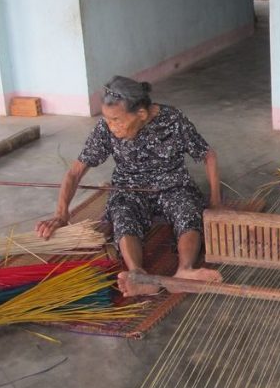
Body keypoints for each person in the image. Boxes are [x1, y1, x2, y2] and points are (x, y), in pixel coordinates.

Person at [36, 76, 221, 294]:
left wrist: (215, 202)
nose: (111, 126)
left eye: (117, 120)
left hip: (173, 185)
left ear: (141, 114)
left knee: (188, 211)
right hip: (129, 188)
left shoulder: (173, 119)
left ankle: (185, 270)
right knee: (122, 216)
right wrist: (61, 213)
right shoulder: (106, 128)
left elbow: (208, 155)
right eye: (107, 119)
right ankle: (138, 274)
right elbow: (75, 172)